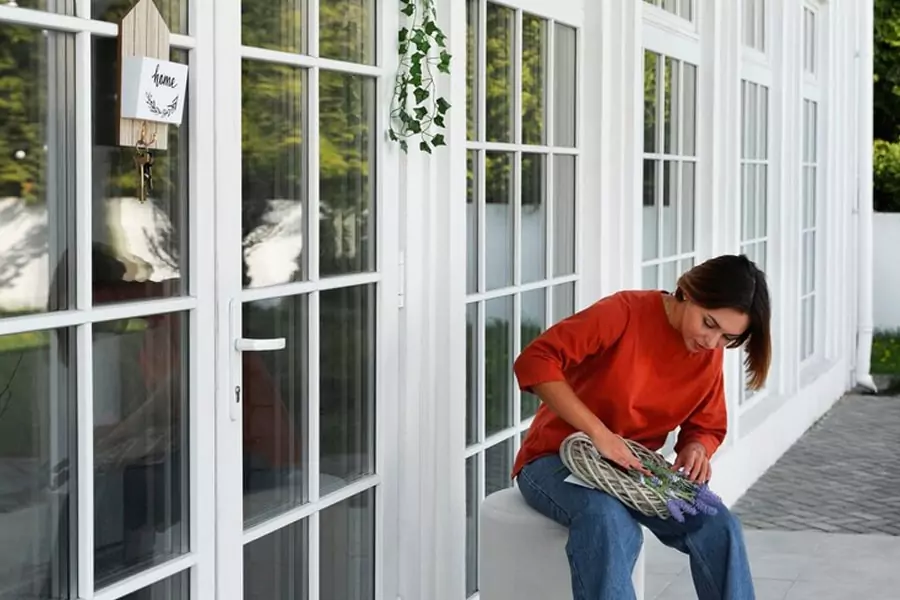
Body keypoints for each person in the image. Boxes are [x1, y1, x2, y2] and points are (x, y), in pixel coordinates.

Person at [512, 254, 771, 600]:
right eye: (708, 324)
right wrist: (599, 434)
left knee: (719, 526)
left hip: (634, 473)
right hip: (554, 459)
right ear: (688, 292)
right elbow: (535, 360)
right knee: (609, 521)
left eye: (728, 338)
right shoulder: (624, 313)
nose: (712, 343)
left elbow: (705, 425)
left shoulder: (707, 353)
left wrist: (697, 449)